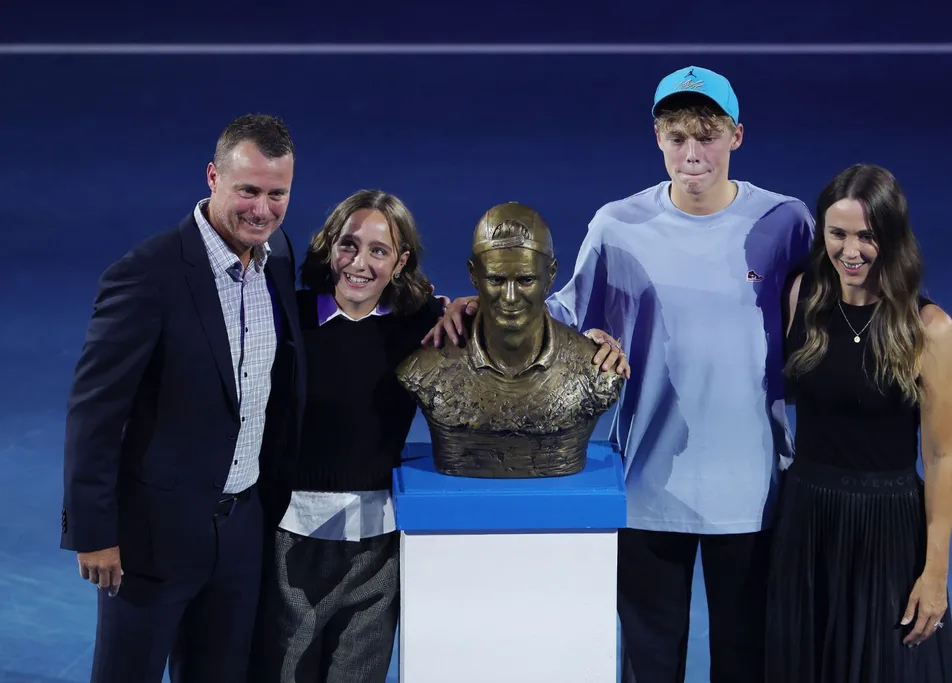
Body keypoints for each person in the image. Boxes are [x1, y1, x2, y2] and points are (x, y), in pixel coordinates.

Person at [424, 66, 952, 682]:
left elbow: (849, 302)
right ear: (657, 138)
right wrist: (479, 310)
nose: (693, 154)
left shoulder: (787, 222)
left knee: (745, 668)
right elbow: (554, 314)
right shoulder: (616, 226)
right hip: (646, 495)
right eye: (677, 137)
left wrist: (927, 353)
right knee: (650, 669)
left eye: (708, 135)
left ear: (736, 136)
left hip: (756, 500)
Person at [61, 114, 306, 683]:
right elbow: (95, 412)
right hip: (153, 538)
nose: (262, 210)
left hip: (243, 530)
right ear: (213, 178)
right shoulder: (147, 275)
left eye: (277, 194)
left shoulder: (279, 258)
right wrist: (94, 534)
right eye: (248, 190)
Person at [766, 164, 952, 682]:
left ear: (892, 238)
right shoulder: (799, 298)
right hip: (806, 524)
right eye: (838, 234)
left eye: (867, 236)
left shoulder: (931, 329)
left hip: (890, 533)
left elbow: (942, 455)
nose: (850, 251)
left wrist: (935, 572)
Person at [253, 190, 444, 683]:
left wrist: (596, 338)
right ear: (328, 247)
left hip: (376, 547)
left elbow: (505, 327)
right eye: (348, 245)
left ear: (400, 262)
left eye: (379, 251)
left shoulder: (421, 326)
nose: (359, 263)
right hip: (288, 541)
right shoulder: (288, 318)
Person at [397, 201, 627, 479]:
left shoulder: (595, 371)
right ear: (473, 275)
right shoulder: (426, 368)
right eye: (495, 280)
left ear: (551, 276)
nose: (509, 297)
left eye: (526, 280)